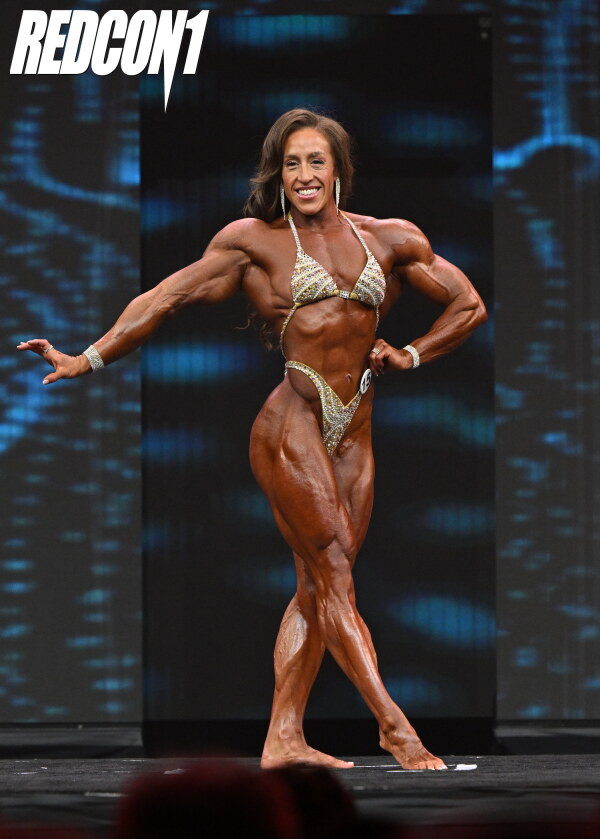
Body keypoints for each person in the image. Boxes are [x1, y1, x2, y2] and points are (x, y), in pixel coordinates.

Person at [18, 109, 486, 770]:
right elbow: (163, 298)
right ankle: (395, 728)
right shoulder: (253, 243)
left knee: (315, 588)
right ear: (278, 174)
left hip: (355, 427)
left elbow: (468, 305)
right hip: (292, 420)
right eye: (292, 163)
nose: (304, 175)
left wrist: (411, 354)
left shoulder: (390, 238)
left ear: (337, 170)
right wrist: (85, 359)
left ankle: (283, 739)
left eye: (315, 161)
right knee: (334, 573)